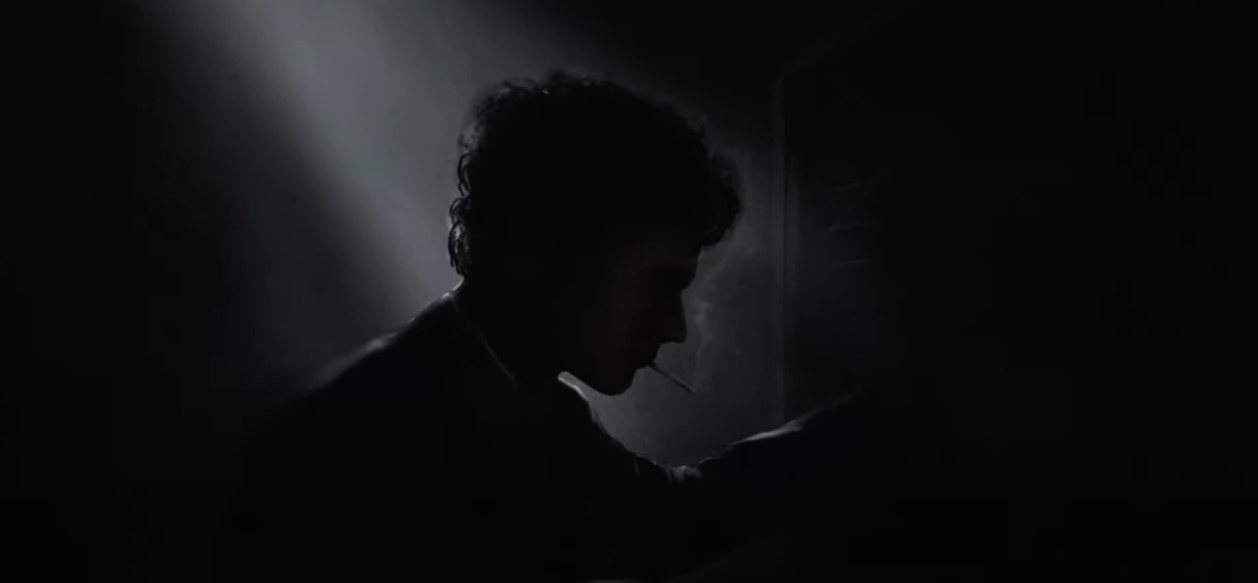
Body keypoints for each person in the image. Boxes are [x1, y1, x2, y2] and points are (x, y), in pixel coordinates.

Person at [223, 72, 865, 582]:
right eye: (658, 283)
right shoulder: (351, 442)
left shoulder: (531, 405)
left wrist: (865, 426)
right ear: (544, 248)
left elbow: (670, 521)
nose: (675, 329)